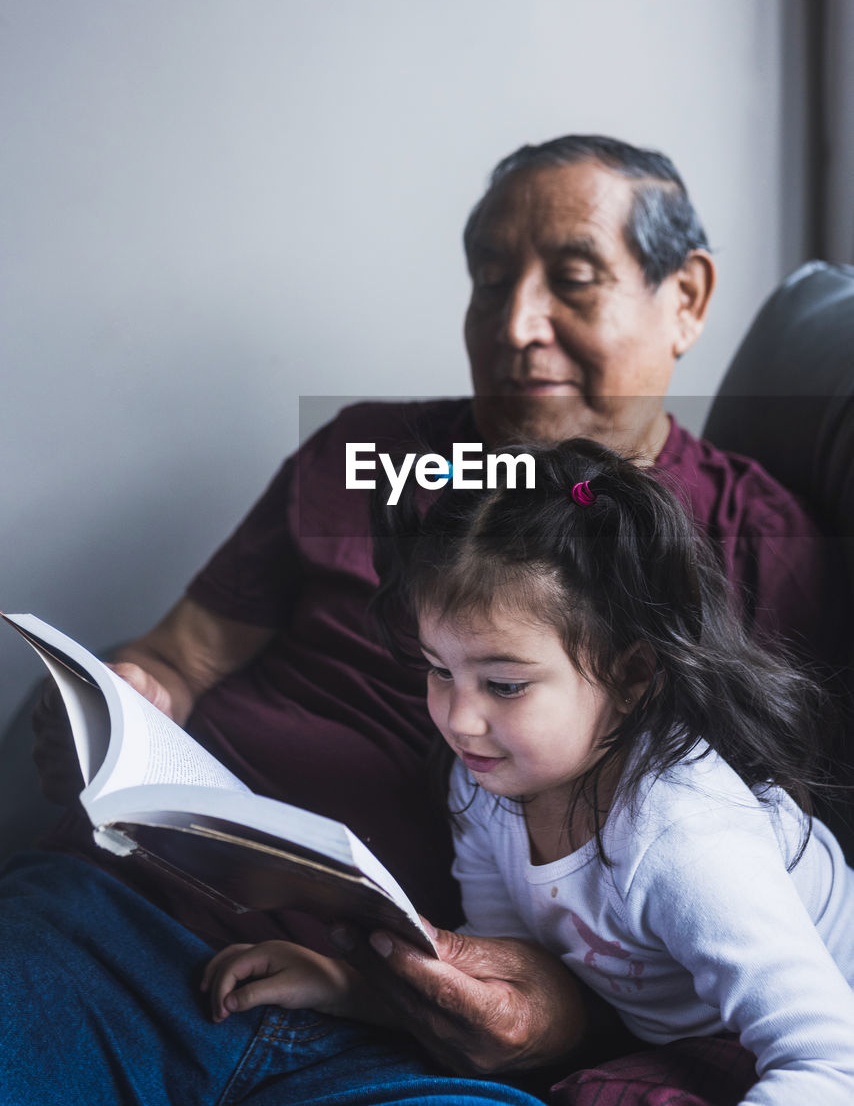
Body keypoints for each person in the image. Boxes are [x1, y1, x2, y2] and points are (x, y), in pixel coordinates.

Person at [15, 135, 842, 1104]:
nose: (516, 323)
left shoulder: (753, 542)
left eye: (571, 281)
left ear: (685, 298)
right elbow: (179, 652)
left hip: (435, 1040)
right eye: (489, 281)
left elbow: (758, 944)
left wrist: (561, 1018)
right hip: (137, 925)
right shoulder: (365, 452)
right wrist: (120, 701)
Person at [203, 437, 854, 1105]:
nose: (460, 719)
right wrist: (351, 990)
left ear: (631, 674)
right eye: (439, 670)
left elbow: (832, 1061)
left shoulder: (686, 840)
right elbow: (509, 982)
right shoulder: (486, 784)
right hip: (655, 1043)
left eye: (505, 685)